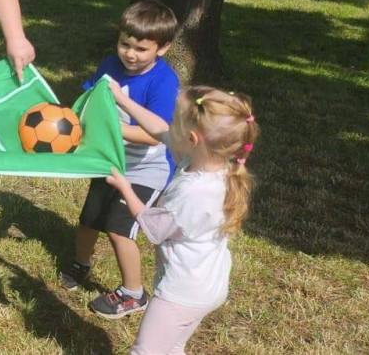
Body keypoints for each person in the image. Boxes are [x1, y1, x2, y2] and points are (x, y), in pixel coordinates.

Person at [105, 85, 257, 355]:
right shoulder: (213, 164)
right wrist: (122, 101)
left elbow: (154, 228)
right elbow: (158, 130)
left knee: (145, 351)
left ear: (192, 138)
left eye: (174, 120)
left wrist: (124, 186)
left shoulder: (194, 191)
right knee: (173, 347)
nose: (168, 124)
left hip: (183, 290)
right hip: (206, 283)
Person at [59, 1, 180, 319]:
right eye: (125, 44)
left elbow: (155, 134)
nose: (130, 54)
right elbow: (88, 100)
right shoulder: (110, 66)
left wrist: (112, 127)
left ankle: (133, 293)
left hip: (147, 169)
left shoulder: (163, 81)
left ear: (163, 48)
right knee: (89, 219)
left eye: (141, 48)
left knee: (118, 228)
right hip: (110, 160)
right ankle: (80, 263)